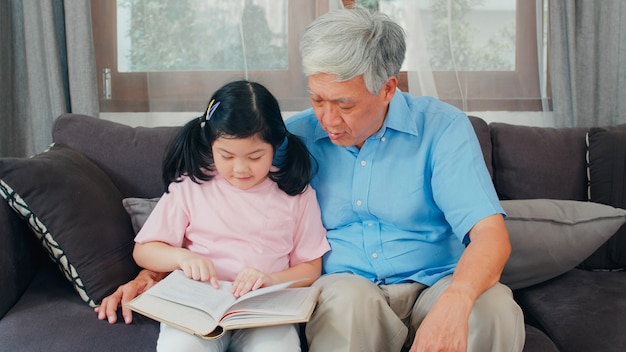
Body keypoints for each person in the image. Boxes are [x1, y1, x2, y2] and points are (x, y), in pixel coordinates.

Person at [97, 8, 525, 352]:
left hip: (439, 278)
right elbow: (227, 205)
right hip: (347, 286)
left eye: (344, 104)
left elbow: (490, 236)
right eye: (317, 99)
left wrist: (457, 300)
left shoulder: (443, 129)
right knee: (346, 307)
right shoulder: (291, 137)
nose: (328, 119)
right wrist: (150, 277)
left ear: (388, 88)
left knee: (491, 312)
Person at [125, 80, 330, 352]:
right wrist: (182, 257)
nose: (240, 169)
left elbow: (310, 268)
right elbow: (144, 251)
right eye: (226, 155)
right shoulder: (191, 186)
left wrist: (270, 280)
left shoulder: (296, 193)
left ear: (275, 145)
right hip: (197, 306)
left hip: (264, 313)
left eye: (256, 157)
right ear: (211, 145)